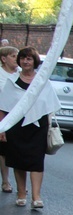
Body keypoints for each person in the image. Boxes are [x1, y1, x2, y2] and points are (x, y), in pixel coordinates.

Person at [0, 47, 60, 209]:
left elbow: (49, 105)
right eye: (23, 58)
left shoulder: (42, 82)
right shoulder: (11, 82)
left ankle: (36, 196)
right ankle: (21, 193)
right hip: (16, 126)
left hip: (38, 126)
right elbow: (3, 107)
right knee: (18, 160)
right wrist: (2, 129)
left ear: (34, 61)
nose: (26, 61)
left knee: (36, 160)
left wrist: (49, 126)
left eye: (29, 59)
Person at [0, 45, 20, 194]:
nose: (16, 59)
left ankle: (21, 183)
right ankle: (5, 180)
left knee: (19, 149)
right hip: (2, 114)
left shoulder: (21, 73)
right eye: (13, 56)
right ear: (4, 59)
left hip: (19, 115)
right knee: (3, 149)